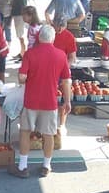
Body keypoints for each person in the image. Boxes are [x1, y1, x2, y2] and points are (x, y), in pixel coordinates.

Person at [10, 25, 71, 179]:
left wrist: (23, 77)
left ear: (39, 37)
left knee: (25, 132)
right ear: (53, 38)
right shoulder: (61, 55)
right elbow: (66, 81)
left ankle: (23, 166)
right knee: (49, 134)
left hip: (31, 100)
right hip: (50, 102)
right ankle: (46, 165)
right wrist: (67, 101)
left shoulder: (30, 54)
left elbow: (22, 77)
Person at [52, 20, 78, 135]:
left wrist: (64, 67)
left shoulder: (69, 36)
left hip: (62, 70)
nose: (59, 30)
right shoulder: (47, 33)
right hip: (49, 70)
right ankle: (49, 123)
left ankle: (62, 124)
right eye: (58, 27)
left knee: (64, 96)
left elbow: (72, 57)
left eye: (61, 28)